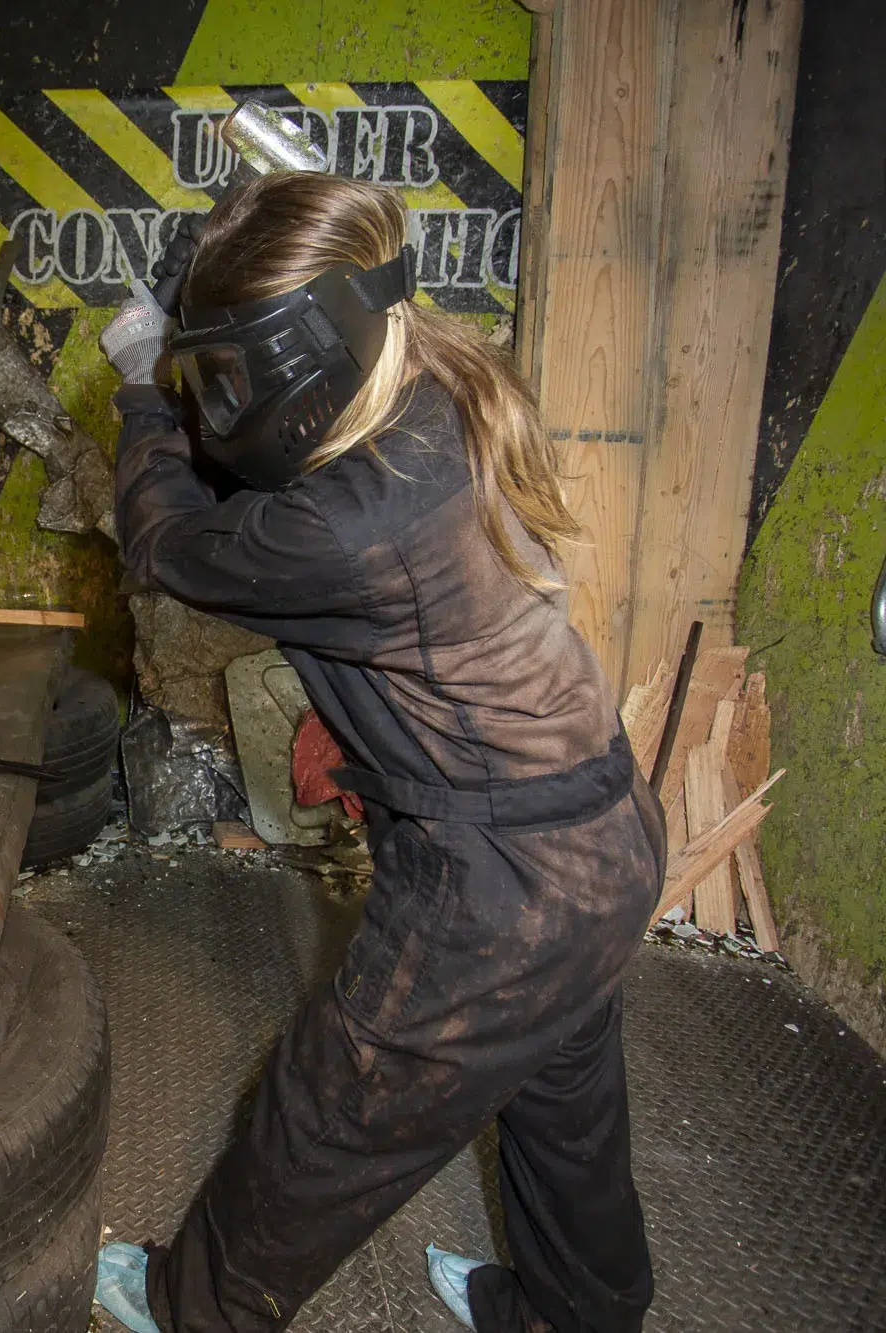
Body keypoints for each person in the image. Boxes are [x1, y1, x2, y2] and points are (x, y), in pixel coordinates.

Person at [90, 170, 664, 1333]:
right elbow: (272, 468)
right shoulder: (425, 375)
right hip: (597, 836)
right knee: (561, 1113)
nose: (217, 396)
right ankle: (567, 1315)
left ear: (301, 356)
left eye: (230, 371)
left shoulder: (351, 524)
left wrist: (146, 387)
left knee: (325, 1109)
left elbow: (166, 543)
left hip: (497, 891)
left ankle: (189, 1309)